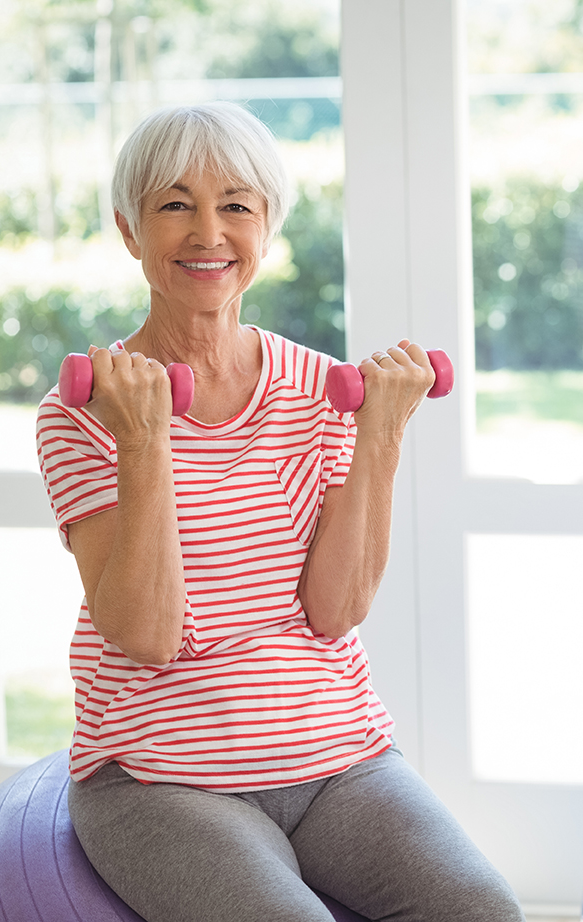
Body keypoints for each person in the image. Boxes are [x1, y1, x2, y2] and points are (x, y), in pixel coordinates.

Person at [36, 101, 524, 922]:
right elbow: (147, 633)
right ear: (129, 231)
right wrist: (146, 441)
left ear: (268, 226)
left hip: (341, 763)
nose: (207, 233)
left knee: (483, 909)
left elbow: (335, 612)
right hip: (163, 777)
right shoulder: (83, 411)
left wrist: (380, 437)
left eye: (236, 206)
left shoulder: (321, 391)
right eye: (174, 204)